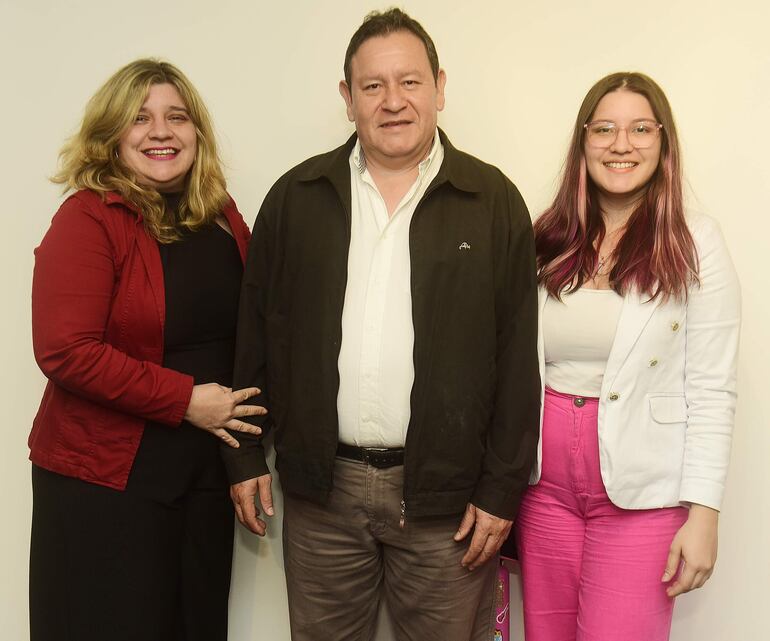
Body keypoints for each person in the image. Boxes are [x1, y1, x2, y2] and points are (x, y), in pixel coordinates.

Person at [224, 8, 540, 641]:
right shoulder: (296, 198)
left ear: (440, 87)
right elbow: (256, 336)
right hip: (322, 493)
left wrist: (501, 491)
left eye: (410, 82)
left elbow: (516, 360)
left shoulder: (493, 201)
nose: (393, 102)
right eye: (373, 86)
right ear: (348, 99)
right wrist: (244, 459)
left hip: (447, 501)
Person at [28, 59, 265, 641]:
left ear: (196, 133)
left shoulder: (221, 215)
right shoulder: (88, 217)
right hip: (105, 483)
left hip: (203, 478)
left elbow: (258, 325)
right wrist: (186, 401)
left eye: (176, 117)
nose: (161, 131)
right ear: (111, 137)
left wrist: (249, 456)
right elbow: (65, 349)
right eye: (140, 119)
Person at [514, 72, 741, 641]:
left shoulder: (696, 241)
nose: (622, 144)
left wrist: (705, 514)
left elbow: (713, 387)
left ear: (663, 142)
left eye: (641, 129)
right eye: (605, 129)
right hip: (545, 495)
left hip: (642, 497)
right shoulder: (547, 238)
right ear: (583, 142)